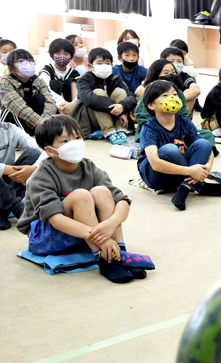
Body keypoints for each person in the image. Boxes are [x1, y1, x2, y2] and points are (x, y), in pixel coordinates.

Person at [16, 115, 142, 283]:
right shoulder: (41, 176)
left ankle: (120, 251)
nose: (75, 143)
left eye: (77, 137)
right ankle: (105, 258)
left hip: (84, 232)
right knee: (81, 196)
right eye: (65, 141)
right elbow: (56, 220)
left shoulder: (87, 166)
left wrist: (111, 223)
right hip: (45, 237)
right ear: (49, 151)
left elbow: (122, 201)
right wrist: (102, 238)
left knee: (102, 191)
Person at [138, 80, 221, 210]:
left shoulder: (184, 122)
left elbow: (206, 149)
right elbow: (155, 163)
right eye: (165, 95)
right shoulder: (149, 127)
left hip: (179, 173)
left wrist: (207, 169)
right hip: (157, 176)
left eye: (175, 94)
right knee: (170, 149)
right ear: (152, 105)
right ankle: (199, 186)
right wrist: (191, 171)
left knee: (203, 143)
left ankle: (184, 189)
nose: (173, 98)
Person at [73, 48, 136, 145]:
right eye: (99, 63)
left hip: (114, 117)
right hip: (92, 119)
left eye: (107, 63)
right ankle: (109, 131)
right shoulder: (84, 80)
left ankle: (121, 130)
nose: (104, 66)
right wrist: (119, 110)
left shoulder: (115, 78)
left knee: (120, 92)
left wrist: (122, 106)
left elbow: (131, 97)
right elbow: (90, 100)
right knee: (98, 92)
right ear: (90, 66)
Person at [0, 121, 45, 230]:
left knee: (33, 154)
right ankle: (18, 208)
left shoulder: (9, 129)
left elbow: (44, 150)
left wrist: (33, 168)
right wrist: (10, 170)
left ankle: (2, 210)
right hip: (6, 178)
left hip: (6, 186)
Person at [0, 49, 57, 135]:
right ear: (11, 68)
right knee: (12, 110)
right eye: (21, 61)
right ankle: (26, 137)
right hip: (14, 120)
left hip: (38, 122)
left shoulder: (39, 80)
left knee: (41, 98)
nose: (28, 64)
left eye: (30, 61)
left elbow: (50, 101)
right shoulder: (6, 81)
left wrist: (46, 120)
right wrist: (40, 122)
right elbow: (17, 106)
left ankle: (40, 133)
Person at [36, 39, 79, 115]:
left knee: (73, 82)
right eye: (58, 54)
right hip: (53, 105)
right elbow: (44, 88)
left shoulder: (74, 73)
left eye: (66, 54)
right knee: (55, 83)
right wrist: (63, 104)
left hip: (72, 106)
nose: (62, 57)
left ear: (71, 56)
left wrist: (73, 104)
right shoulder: (47, 70)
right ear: (52, 55)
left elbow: (81, 89)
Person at [157, 47, 201, 113]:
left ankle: (182, 120)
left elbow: (196, 89)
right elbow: (141, 90)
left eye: (179, 61)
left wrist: (174, 101)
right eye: (171, 61)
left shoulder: (183, 75)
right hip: (159, 109)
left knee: (192, 97)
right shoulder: (158, 74)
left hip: (179, 108)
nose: (175, 64)